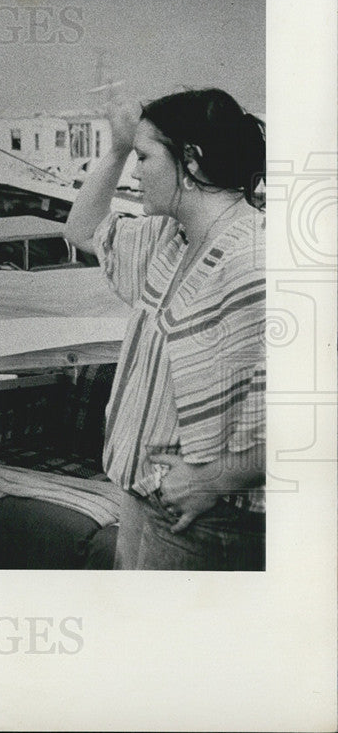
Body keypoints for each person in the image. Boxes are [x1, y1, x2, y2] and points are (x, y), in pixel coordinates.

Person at [64, 88, 266, 570]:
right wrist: (115, 147)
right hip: (143, 491)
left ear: (190, 161)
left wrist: (212, 480)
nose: (134, 171)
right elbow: (81, 229)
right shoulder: (169, 239)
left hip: (203, 516)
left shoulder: (253, 261)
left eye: (143, 156)